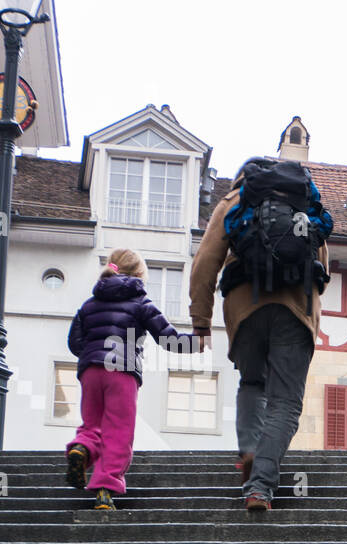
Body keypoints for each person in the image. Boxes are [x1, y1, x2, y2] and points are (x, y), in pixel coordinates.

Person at [189, 157, 332, 511]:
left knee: (252, 383)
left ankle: (251, 449)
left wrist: (200, 322)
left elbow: (205, 262)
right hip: (295, 307)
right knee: (285, 402)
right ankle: (260, 486)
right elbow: (322, 262)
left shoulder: (233, 200)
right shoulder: (303, 201)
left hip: (244, 306)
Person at [65, 248, 192, 510]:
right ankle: (104, 490)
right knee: (118, 432)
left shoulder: (88, 304)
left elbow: (75, 342)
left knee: (92, 423)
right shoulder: (141, 304)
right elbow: (169, 339)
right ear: (139, 275)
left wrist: (93, 355)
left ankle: (82, 447)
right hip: (121, 372)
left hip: (90, 371)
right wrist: (198, 343)